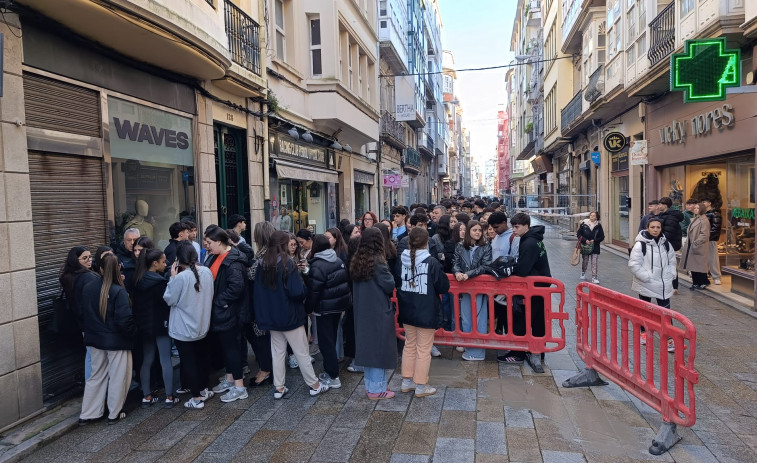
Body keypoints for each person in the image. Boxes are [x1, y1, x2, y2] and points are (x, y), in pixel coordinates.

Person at [253, 231, 329, 399]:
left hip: (271, 316)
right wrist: (304, 287)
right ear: (283, 244)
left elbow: (258, 292)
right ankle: (314, 385)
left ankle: (279, 387)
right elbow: (297, 292)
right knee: (302, 351)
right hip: (289, 315)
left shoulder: (262, 263)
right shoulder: (287, 263)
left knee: (278, 352)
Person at [78, 254, 137, 425]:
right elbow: (124, 321)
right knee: (119, 377)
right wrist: (134, 333)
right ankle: (114, 413)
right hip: (117, 341)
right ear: (119, 268)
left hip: (95, 339)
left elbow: (83, 314)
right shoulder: (119, 291)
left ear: (100, 269)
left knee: (96, 376)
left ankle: (88, 413)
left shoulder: (88, 287)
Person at [395, 227, 450, 397]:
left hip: (406, 308)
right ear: (427, 242)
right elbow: (443, 286)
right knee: (424, 349)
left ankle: (406, 381)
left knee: (410, 345)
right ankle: (420, 385)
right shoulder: (431, 262)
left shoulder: (401, 260)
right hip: (426, 310)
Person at [165, 242, 215, 408]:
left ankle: (196, 398)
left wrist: (172, 278)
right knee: (202, 359)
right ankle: (202, 390)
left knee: (189, 362)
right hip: (202, 324)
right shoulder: (206, 272)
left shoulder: (181, 277)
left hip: (183, 328)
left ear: (178, 259)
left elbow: (169, 299)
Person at [350, 227, 397, 399]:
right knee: (378, 348)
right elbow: (389, 284)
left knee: (368, 349)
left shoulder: (357, 259)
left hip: (363, 310)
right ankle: (377, 389)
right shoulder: (377, 261)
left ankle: (373, 385)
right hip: (377, 309)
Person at [205, 227, 250, 403]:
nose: (206, 246)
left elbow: (236, 288)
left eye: (209, 243)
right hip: (224, 311)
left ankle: (239, 387)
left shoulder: (233, 261)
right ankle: (231, 379)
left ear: (219, 242)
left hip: (231, 312)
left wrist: (218, 301)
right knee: (227, 348)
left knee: (232, 349)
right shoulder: (216, 256)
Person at [131, 248, 177, 408]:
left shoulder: (136, 281)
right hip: (160, 325)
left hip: (144, 327)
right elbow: (168, 302)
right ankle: (170, 397)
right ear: (154, 263)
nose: (166, 264)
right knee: (165, 359)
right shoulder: (159, 283)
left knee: (147, 359)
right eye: (163, 262)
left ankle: (146, 396)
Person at [306, 235, 351, 390]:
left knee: (326, 343)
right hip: (338, 306)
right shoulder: (337, 260)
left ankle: (333, 376)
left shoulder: (318, 265)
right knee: (331, 338)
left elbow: (314, 291)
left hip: (324, 308)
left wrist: (308, 308)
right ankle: (330, 372)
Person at [508, 212, 552, 367]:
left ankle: (519, 353)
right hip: (539, 286)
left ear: (526, 226)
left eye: (517, 227)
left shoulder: (529, 242)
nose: (513, 230)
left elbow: (523, 269)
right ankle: (538, 352)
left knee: (525, 319)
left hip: (533, 288)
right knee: (537, 321)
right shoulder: (533, 239)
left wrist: (510, 270)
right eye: (512, 226)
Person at [629, 218, 677, 351]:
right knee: (645, 310)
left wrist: (671, 274)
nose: (655, 230)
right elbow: (633, 264)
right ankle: (643, 333)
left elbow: (672, 261)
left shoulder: (666, 244)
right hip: (647, 283)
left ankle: (669, 338)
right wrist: (646, 277)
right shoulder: (640, 245)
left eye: (658, 227)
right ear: (647, 228)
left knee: (666, 312)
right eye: (653, 227)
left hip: (663, 284)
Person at [453, 220, 492, 361]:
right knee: (466, 318)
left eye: (480, 230)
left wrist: (468, 274)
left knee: (480, 318)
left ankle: (478, 352)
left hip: (479, 287)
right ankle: (469, 347)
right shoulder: (459, 246)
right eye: (475, 230)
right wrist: (457, 272)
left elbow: (485, 266)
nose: (477, 233)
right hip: (464, 286)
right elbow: (455, 263)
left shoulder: (486, 246)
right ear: (469, 231)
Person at [59, 246, 99, 381]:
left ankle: (90, 389)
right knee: (95, 359)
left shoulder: (68, 276)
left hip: (81, 323)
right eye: (85, 258)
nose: (89, 260)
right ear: (76, 260)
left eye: (90, 257)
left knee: (90, 356)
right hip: (92, 323)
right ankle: (94, 392)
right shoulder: (88, 277)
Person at [245, 222, 275, 387]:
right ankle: (267, 368)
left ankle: (266, 370)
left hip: (262, 303)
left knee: (261, 337)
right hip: (268, 302)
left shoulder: (265, 256)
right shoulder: (269, 253)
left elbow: (251, 275)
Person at [681, 202, 711, 289]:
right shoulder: (695, 218)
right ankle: (696, 282)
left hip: (698, 246)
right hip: (692, 245)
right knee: (693, 266)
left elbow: (704, 234)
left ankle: (702, 282)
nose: (696, 210)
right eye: (695, 208)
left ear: (702, 209)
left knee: (699, 266)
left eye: (698, 208)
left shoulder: (704, 220)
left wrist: (696, 243)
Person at [576, 211, 605, 284]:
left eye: (594, 216)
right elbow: (579, 234)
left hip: (595, 246)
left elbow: (602, 237)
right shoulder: (584, 224)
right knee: (585, 261)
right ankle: (583, 272)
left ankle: (594, 277)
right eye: (591, 215)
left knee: (594, 262)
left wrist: (595, 240)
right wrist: (585, 240)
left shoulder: (598, 226)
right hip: (585, 246)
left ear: (596, 217)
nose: (592, 217)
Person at [702, 198, 722, 285]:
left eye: (704, 202)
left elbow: (716, 227)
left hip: (711, 239)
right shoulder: (703, 214)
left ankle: (716, 276)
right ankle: (706, 274)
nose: (703, 203)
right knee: (704, 258)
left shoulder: (715, 214)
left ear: (709, 203)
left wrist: (709, 236)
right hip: (703, 239)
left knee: (712, 258)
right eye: (702, 202)